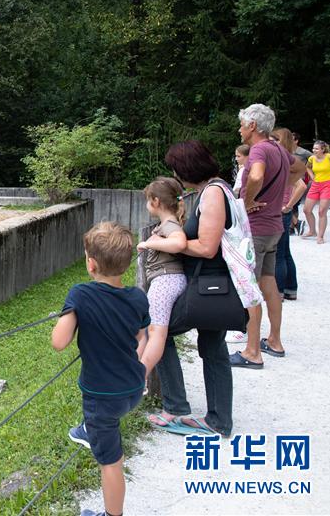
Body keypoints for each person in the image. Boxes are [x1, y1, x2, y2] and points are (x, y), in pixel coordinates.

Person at [51, 222, 149, 516]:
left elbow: (59, 342)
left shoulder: (81, 294)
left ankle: (111, 514)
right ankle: (88, 429)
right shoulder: (136, 297)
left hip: (102, 396)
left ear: (91, 264)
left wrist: (72, 313)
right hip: (133, 388)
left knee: (111, 462)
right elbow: (140, 337)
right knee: (102, 423)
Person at [150, 140, 234, 436]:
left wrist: (167, 244)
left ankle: (175, 405)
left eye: (176, 168)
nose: (176, 174)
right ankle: (218, 420)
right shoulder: (216, 188)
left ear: (187, 167)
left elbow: (208, 247)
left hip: (209, 283)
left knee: (158, 332)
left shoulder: (212, 193)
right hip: (215, 285)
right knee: (213, 347)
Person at [231, 104, 297, 368]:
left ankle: (252, 351)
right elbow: (301, 170)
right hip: (274, 228)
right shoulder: (279, 148)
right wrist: (277, 193)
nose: (240, 129)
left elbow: (256, 175)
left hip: (257, 228)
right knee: (269, 283)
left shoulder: (259, 149)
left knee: (250, 286)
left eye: (242, 124)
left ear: (253, 126)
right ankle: (275, 341)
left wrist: (248, 201)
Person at [136, 177, 187, 376]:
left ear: (155, 202)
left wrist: (149, 244)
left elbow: (179, 243)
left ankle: (141, 375)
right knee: (149, 330)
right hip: (166, 280)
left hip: (166, 280)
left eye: (148, 200)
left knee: (156, 332)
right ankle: (137, 369)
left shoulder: (170, 225)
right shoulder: (166, 224)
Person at [272, 128, 307, 301]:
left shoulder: (283, 160)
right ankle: (290, 288)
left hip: (279, 211)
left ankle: (278, 292)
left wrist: (288, 205)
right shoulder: (289, 159)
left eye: (273, 139)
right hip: (283, 211)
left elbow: (301, 186)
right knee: (285, 252)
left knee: (279, 254)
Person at [302, 140, 330, 244]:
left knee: (322, 211)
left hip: (328, 185)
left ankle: (320, 236)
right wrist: (312, 176)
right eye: (313, 148)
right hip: (315, 185)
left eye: (316, 148)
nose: (314, 150)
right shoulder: (312, 158)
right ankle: (312, 231)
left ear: (323, 150)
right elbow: (307, 167)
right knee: (306, 210)